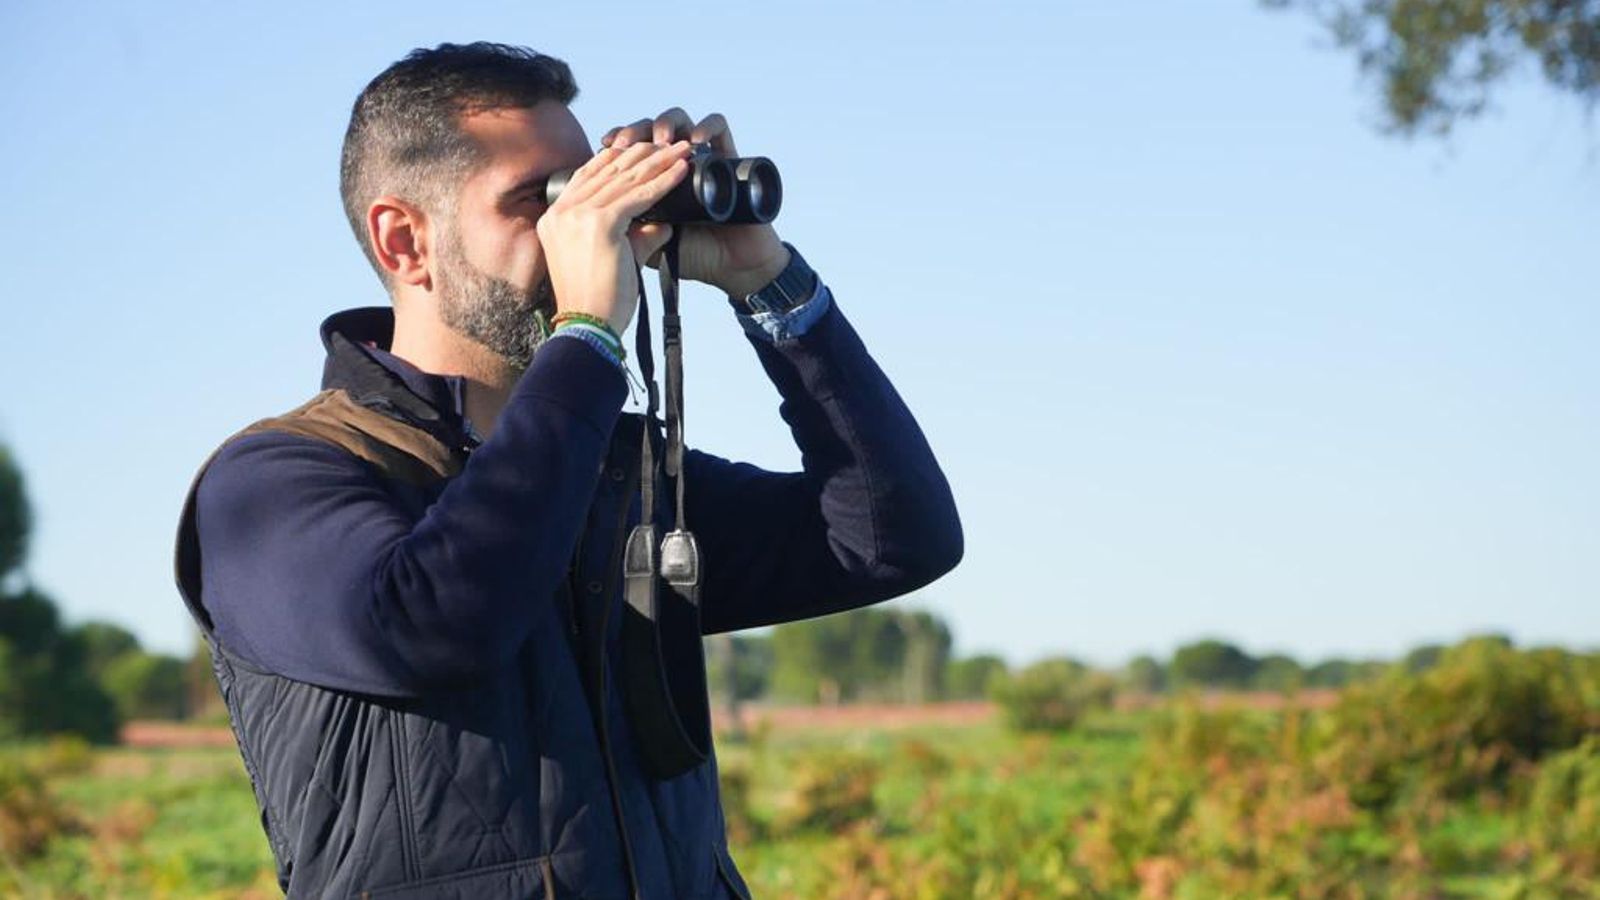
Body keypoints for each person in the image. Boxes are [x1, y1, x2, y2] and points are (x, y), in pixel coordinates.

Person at [173, 42, 962, 899]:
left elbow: (893, 539)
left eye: (590, 195)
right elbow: (440, 625)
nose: (585, 230)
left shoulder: (612, 472)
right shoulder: (276, 482)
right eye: (539, 204)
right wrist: (586, 333)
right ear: (404, 242)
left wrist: (766, 284)